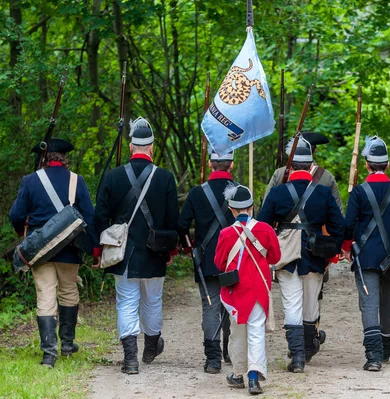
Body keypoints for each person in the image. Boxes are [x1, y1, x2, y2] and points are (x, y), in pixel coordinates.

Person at [94, 117, 179, 374]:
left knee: (126, 302)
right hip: (155, 251)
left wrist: (98, 251)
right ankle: (150, 347)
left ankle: (130, 359)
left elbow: (100, 216)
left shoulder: (112, 177)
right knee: (152, 301)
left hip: (122, 253)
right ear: (151, 147)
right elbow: (173, 220)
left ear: (131, 147)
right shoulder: (165, 178)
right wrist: (170, 251)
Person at [9, 138, 98, 368]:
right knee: (69, 293)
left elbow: (16, 215)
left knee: (45, 296)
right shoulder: (77, 181)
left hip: (40, 251)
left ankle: (49, 354)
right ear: (64, 158)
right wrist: (96, 249)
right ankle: (67, 344)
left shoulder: (30, 181)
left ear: (43, 158)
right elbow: (90, 217)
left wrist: (23, 232)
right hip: (70, 248)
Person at [258, 139, 344, 373]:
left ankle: (297, 358)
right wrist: (332, 251)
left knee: (292, 306)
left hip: (285, 254)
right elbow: (339, 226)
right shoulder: (324, 193)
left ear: (291, 166)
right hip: (315, 255)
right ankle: (305, 352)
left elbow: (262, 225)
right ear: (310, 166)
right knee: (310, 306)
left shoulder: (277, 193)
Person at [342, 136, 390, 371]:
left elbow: (347, 225)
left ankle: (373, 356)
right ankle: (386, 349)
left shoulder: (358, 192)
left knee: (368, 304)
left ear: (366, 164)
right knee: (389, 304)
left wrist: (346, 247)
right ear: (387, 164)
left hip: (365, 258)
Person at [214, 184, 281, 395]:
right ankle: (253, 378)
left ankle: (237, 373)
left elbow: (219, 263)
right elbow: (275, 258)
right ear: (252, 207)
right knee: (256, 334)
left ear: (231, 209)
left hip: (235, 292)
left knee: (237, 333)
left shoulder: (226, 233)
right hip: (259, 290)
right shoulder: (266, 229)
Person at [178, 149, 236, 373]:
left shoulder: (196, 192)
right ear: (231, 165)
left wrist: (189, 246)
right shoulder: (241, 192)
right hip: (234, 259)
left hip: (207, 259)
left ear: (211, 164)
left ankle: (213, 360)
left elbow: (182, 225)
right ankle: (231, 350)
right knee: (234, 305)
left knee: (210, 307)